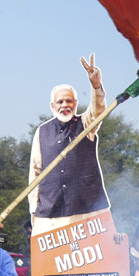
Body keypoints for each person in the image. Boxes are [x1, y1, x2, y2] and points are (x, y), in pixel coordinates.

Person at [28, 54, 110, 235]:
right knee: (48, 262)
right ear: (52, 106)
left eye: (69, 101)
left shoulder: (86, 123)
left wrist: (95, 85)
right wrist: (33, 209)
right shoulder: (42, 131)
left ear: (75, 104)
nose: (64, 105)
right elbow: (35, 173)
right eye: (60, 101)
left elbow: (98, 110)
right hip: (50, 215)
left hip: (87, 212)